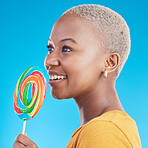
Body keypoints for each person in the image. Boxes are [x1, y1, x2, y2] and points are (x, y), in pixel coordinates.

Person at [13, 4, 142, 148]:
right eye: (50, 48)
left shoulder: (103, 131)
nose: (49, 61)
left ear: (109, 62)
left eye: (66, 49)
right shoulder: (108, 128)